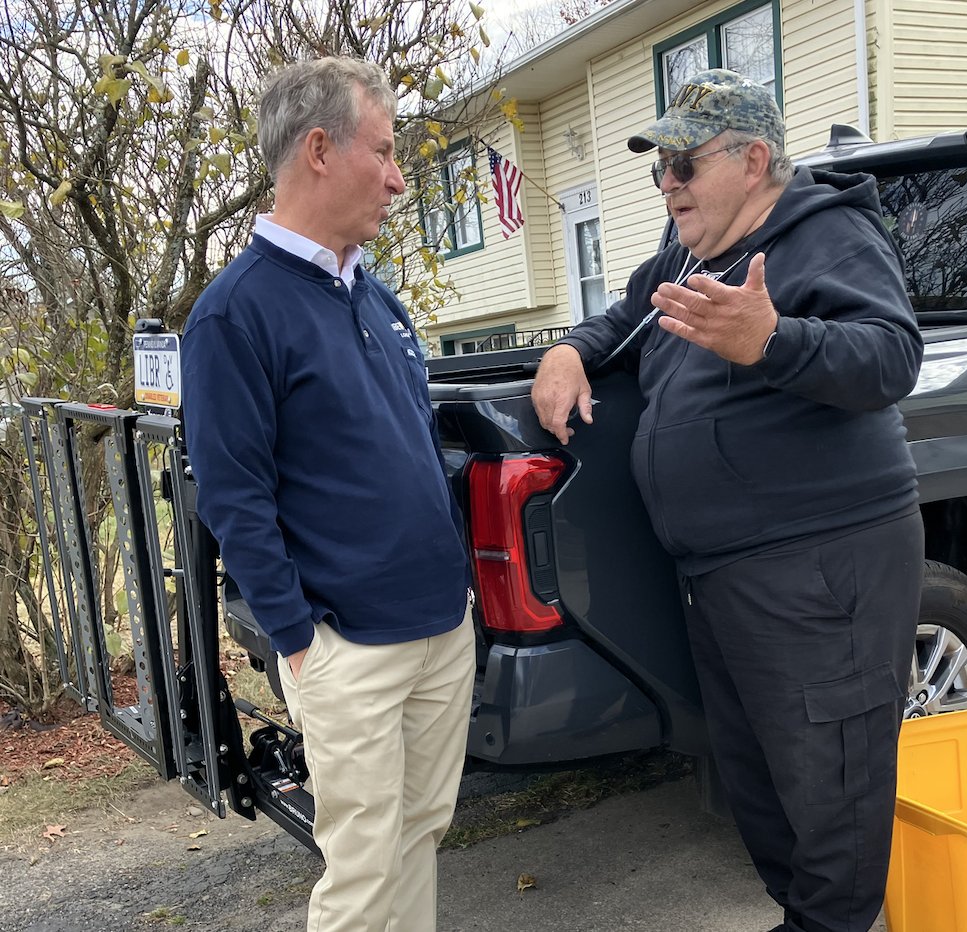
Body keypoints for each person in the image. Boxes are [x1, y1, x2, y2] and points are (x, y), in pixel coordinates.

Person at [532, 69, 924, 932]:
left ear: (753, 160)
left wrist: (771, 338)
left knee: (835, 794)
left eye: (683, 165)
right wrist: (566, 350)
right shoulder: (685, 254)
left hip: (822, 568)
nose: (667, 185)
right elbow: (621, 323)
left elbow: (891, 357)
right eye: (659, 169)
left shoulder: (828, 234)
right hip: (721, 578)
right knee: (759, 789)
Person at [180, 57, 474, 932]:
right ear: (317, 149)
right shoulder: (235, 314)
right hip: (349, 650)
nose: (396, 177)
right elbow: (234, 497)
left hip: (438, 629)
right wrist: (300, 642)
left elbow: (411, 449)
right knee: (362, 867)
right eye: (382, 152)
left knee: (420, 833)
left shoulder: (377, 298)